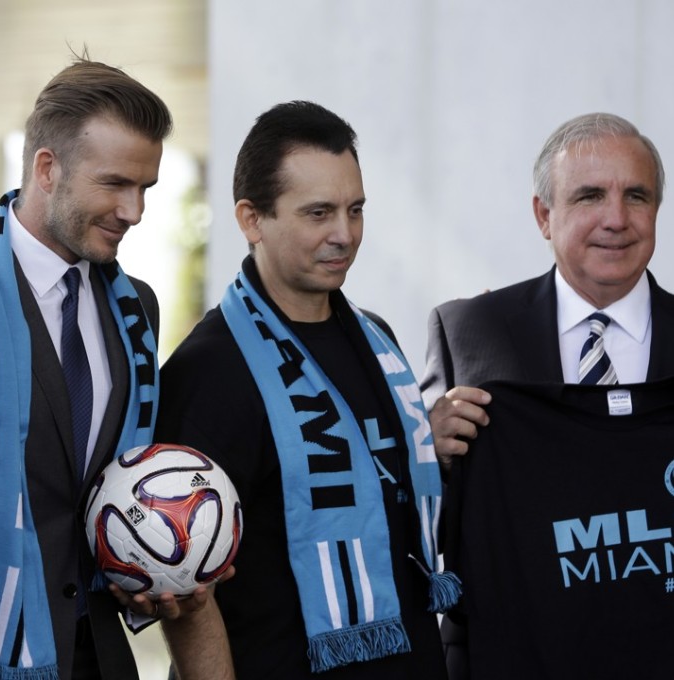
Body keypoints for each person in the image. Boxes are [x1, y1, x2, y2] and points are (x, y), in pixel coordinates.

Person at [0, 58, 231, 680]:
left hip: (99, 657)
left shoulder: (137, 305)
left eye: (146, 188)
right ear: (47, 169)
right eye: (114, 183)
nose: (133, 210)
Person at [155, 100, 458, 679]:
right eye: (318, 213)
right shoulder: (209, 371)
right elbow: (187, 589)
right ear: (251, 219)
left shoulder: (377, 341)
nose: (344, 234)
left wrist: (425, 443)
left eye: (356, 210)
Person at [420, 112, 674, 678]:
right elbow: (421, 523)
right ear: (544, 214)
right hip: (512, 657)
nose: (616, 219)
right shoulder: (467, 331)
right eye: (589, 196)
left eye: (637, 196)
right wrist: (425, 449)